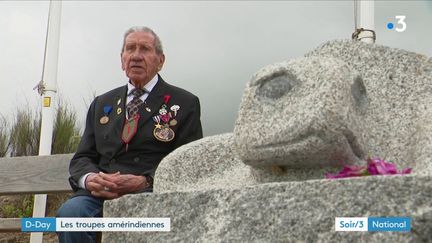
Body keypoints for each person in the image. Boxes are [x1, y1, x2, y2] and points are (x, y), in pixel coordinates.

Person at [57, 26, 203, 242]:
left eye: (144, 49)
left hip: (152, 193)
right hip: (99, 195)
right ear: (122, 59)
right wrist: (90, 179)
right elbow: (83, 157)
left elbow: (188, 162)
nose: (136, 56)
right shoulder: (101, 103)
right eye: (130, 49)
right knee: (70, 215)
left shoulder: (184, 103)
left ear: (160, 60)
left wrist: (145, 181)